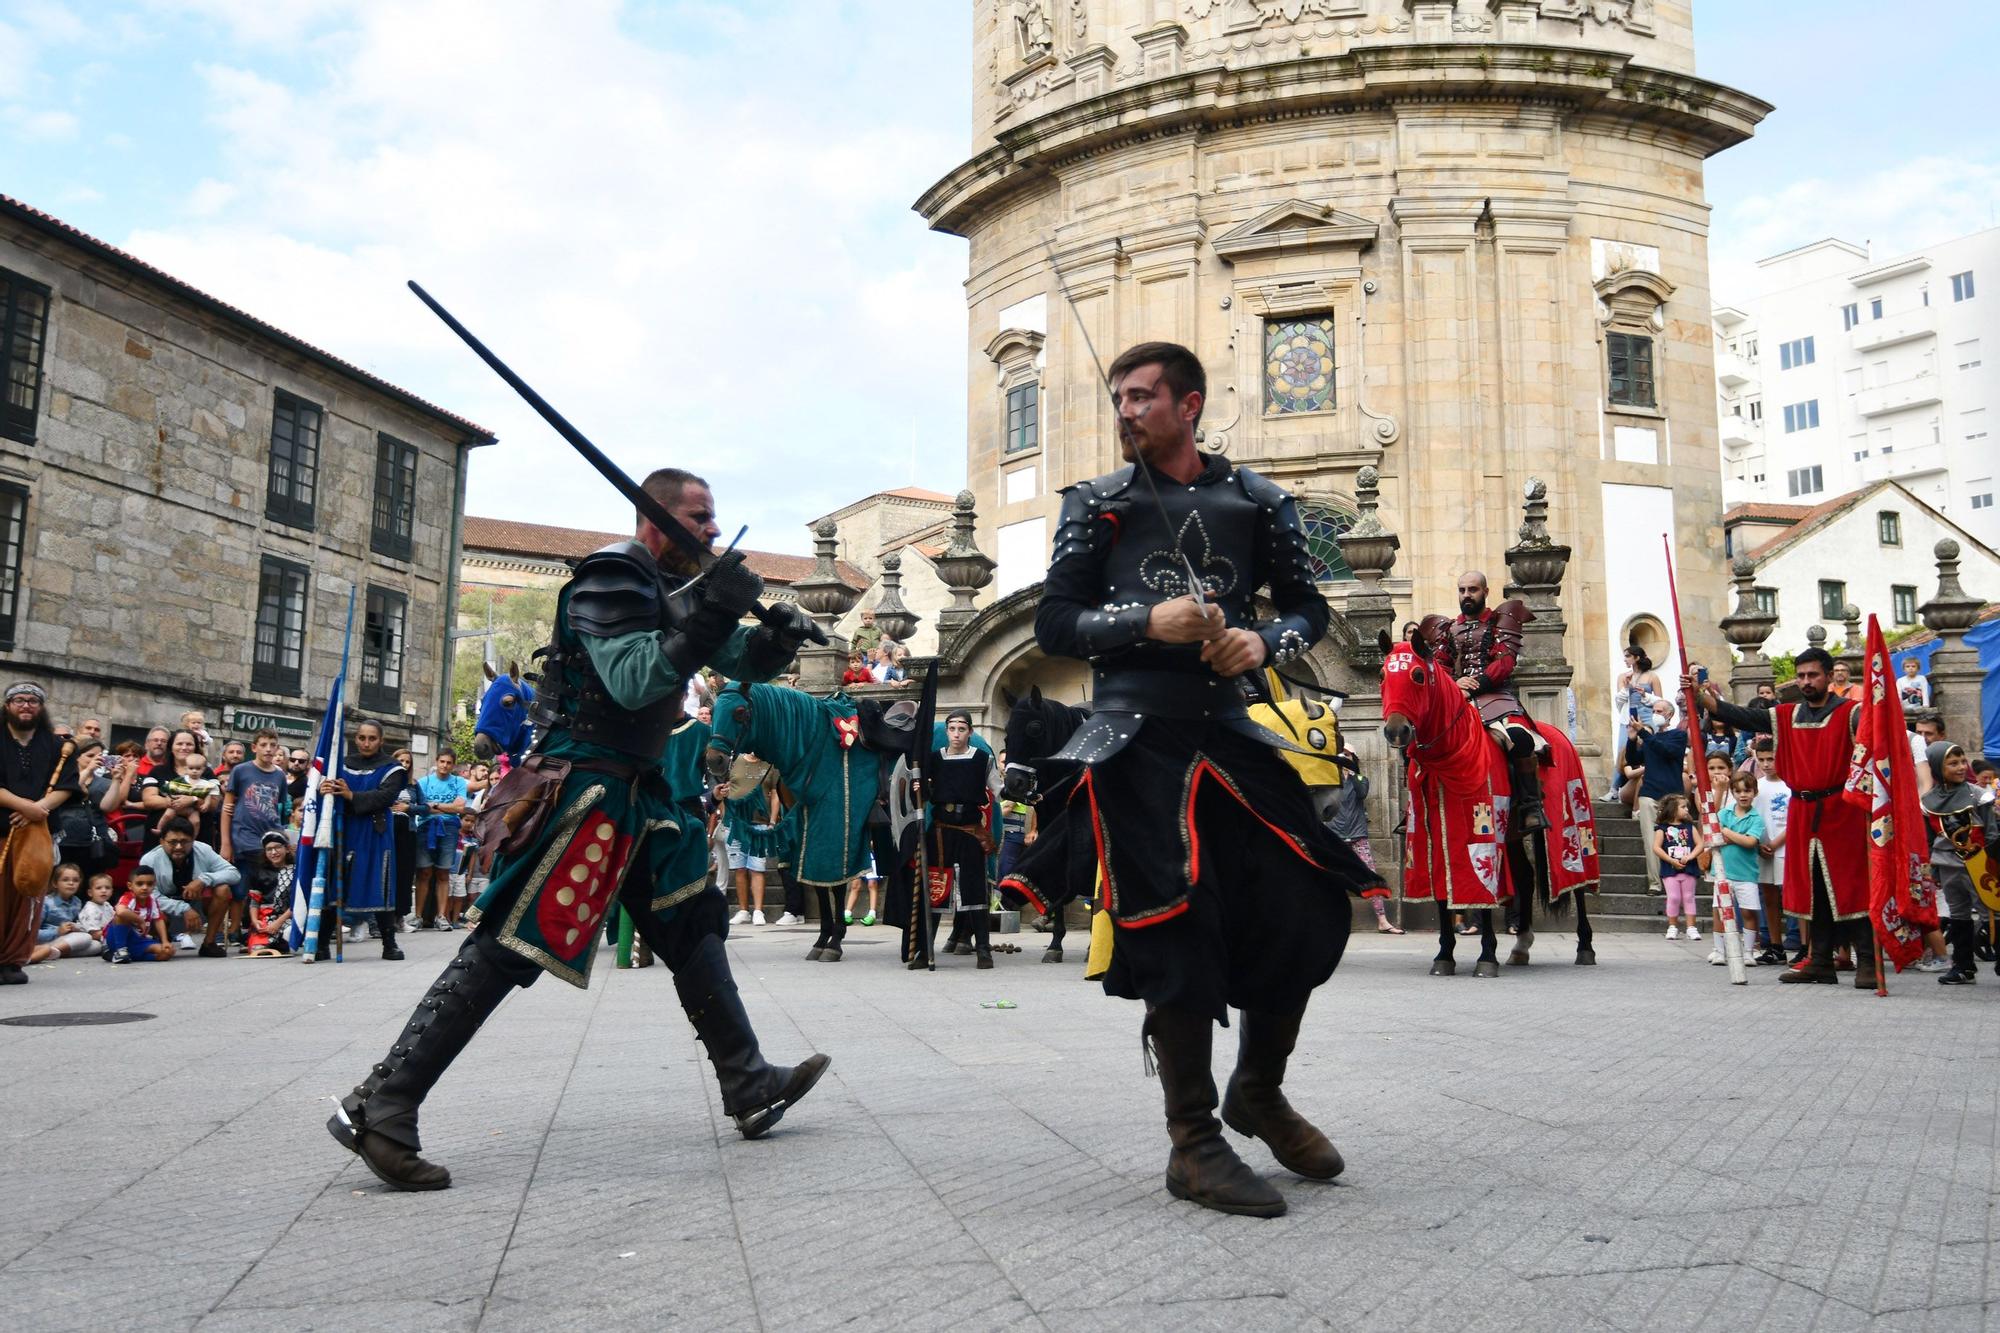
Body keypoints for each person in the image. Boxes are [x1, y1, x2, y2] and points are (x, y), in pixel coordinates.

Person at [327, 465, 828, 1192]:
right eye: (700, 516)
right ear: (656, 518)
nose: (715, 530)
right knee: (508, 944)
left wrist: (776, 638)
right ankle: (383, 1101)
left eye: (715, 517)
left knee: (692, 925)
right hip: (584, 787)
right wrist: (717, 613)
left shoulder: (667, 585)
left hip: (641, 794)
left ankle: (749, 1082)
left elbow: (728, 658)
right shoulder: (613, 576)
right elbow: (634, 680)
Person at [1006, 340, 1379, 1219]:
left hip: (1231, 730)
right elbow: (1056, 625)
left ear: (1191, 403)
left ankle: (1259, 1087)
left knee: (1307, 902)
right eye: (1119, 398)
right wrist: (1149, 618)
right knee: (1175, 926)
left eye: (1142, 397)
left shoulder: (1258, 499)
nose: (1127, 411)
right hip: (1133, 739)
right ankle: (1194, 1141)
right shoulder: (1094, 505)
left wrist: (1263, 641)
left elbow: (1306, 605)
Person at [1694, 647, 1877, 988]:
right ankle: (1820, 960)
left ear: (1828, 676)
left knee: (1850, 886)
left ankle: (1867, 960)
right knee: (1814, 888)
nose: (1807, 681)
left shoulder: (1852, 713)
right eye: (1802, 676)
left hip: (1843, 810)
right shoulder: (1787, 714)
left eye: (1813, 675)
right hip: (1803, 811)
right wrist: (1702, 693)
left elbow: (1879, 746)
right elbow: (1738, 715)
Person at [1418, 571, 1547, 833]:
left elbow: (1505, 662)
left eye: (1473, 590)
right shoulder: (1446, 629)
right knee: (1420, 740)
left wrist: (1475, 684)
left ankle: (1530, 805)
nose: (1467, 595)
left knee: (1519, 738)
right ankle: (1420, 805)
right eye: (1462, 590)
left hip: (1495, 696)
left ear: (1485, 592)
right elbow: (1438, 664)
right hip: (1456, 696)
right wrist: (1453, 684)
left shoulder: (1501, 621)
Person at [0, 682, 80, 984]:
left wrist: (39, 809)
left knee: (28, 895)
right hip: (2, 830)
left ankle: (12, 960)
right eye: (18, 700)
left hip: (38, 832)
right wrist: (24, 806)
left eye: (32, 701)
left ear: (41, 707)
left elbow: (68, 786)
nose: (25, 706)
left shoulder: (58, 746)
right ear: (8, 706)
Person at [315, 722, 409, 960]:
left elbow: (386, 796)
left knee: (380, 884)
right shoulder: (341, 764)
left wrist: (350, 795)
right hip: (345, 830)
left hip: (375, 832)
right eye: (362, 738)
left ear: (381, 740)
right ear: (355, 739)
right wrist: (324, 788)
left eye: (372, 738)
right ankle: (322, 944)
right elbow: (324, 793)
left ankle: (389, 943)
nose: (366, 743)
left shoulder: (393, 768)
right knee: (336, 883)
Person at [927, 709, 1000, 967]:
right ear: (946, 731)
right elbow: (923, 791)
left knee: (974, 889)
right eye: (952, 729)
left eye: (961, 729)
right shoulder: (934, 759)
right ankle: (925, 951)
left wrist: (1026, 794)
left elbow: (998, 789)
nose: (956, 734)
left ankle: (983, 949)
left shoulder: (982, 758)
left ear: (969, 731)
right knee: (935, 888)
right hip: (940, 832)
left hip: (969, 831)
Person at [1922, 742, 1998, 986]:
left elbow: (1992, 833)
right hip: (1947, 864)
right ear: (1937, 767)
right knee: (1958, 913)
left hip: (1980, 864)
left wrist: (1993, 864)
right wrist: (1932, 869)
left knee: (1991, 911)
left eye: (1962, 761)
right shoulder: (1928, 801)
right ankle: (1963, 966)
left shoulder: (1978, 795)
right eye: (1952, 763)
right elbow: (1930, 839)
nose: (1960, 767)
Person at [1321, 749, 1400, 935]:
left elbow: (1362, 793)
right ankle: (1333, 922)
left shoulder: (1360, 780)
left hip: (1357, 834)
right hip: (1335, 836)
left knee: (1370, 877)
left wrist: (1352, 772)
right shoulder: (1329, 780)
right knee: (1331, 879)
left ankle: (1382, 921)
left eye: (1348, 755)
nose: (1344, 758)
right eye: (1341, 755)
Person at [140, 817, 242, 957]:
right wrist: (184, 908)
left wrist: (203, 880)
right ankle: (162, 940)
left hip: (197, 905)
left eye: (184, 842)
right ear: (162, 841)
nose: (178, 847)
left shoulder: (204, 850)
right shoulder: (149, 860)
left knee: (223, 889)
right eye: (172, 842)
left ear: (193, 840)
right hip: (165, 910)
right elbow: (151, 896)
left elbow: (234, 874)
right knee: (148, 905)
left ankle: (209, 943)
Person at [1625, 700, 1687, 896]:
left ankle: (1675, 881)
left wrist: (1644, 733)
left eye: (1659, 710)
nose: (1655, 713)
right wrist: (1632, 739)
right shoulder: (1649, 738)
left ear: (1669, 715)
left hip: (1672, 796)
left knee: (1675, 840)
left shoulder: (1678, 735)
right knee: (1651, 841)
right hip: (1649, 794)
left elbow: (1667, 751)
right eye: (1653, 710)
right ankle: (1655, 883)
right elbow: (1634, 759)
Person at [220, 729, 289, 895]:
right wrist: (226, 843)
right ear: (254, 747)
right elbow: (227, 808)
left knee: (268, 890)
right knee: (240, 890)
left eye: (272, 745)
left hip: (270, 838)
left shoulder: (280, 776)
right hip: (245, 837)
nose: (268, 749)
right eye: (263, 745)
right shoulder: (241, 770)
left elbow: (277, 808)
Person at [1710, 771, 1766, 966]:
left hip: (1747, 874)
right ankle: (1719, 951)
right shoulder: (1724, 813)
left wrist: (1727, 832)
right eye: (1738, 791)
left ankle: (1749, 952)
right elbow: (1714, 834)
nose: (1743, 795)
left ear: (1755, 792)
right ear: (1732, 793)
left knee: (1749, 912)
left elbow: (1750, 842)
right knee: (1720, 912)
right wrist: (1734, 837)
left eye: (1747, 791)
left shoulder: (1756, 818)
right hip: (1723, 873)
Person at [412, 749, 469, 931]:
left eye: (448, 762)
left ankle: (441, 916)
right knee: (424, 873)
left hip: (449, 830)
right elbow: (421, 808)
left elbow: (460, 808)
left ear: (453, 765)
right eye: (442, 761)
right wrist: (447, 808)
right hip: (425, 828)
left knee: (444, 873)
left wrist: (435, 805)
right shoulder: (424, 782)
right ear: (436, 761)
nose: (444, 765)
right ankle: (418, 916)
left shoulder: (459, 782)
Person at [1749, 739, 1792, 964]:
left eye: (1770, 759)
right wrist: (1758, 843)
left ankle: (1806, 945)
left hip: (1787, 847)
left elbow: (1794, 820)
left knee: (1793, 899)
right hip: (1763, 848)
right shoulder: (1757, 786)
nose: (1766, 764)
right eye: (1762, 759)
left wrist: (1776, 843)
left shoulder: (1791, 785)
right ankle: (1776, 945)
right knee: (1769, 898)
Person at [723, 770, 778, 927]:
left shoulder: (770, 766)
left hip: (760, 822)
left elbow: (774, 795)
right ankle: (743, 910)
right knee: (739, 869)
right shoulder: (734, 763)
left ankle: (758, 911)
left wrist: (772, 822)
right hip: (735, 823)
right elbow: (725, 790)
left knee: (757, 868)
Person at [1652, 795, 1701, 942]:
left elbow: (1700, 844)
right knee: (1673, 897)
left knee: (1688, 897)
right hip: (1670, 869)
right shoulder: (1662, 829)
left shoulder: (1690, 827)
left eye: (1687, 807)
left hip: (1689, 867)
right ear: (1672, 809)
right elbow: (1656, 847)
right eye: (1683, 807)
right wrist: (1670, 860)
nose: (1687, 809)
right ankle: (1672, 926)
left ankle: (1691, 927)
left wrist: (1691, 856)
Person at [105, 865, 176, 962]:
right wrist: (140, 920)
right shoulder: (128, 898)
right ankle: (120, 952)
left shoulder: (152, 901)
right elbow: (120, 911)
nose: (145, 887)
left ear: (154, 885)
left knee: (167, 952)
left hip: (139, 940)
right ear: (130, 886)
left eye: (149, 884)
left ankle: (123, 956)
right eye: (140, 884)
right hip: (118, 939)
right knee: (121, 916)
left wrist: (165, 941)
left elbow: (159, 920)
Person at [29, 861, 87, 962]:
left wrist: (75, 927)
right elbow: (33, 933)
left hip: (66, 939)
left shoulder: (77, 902)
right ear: (55, 883)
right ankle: (46, 950)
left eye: (76, 880)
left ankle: (53, 952)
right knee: (85, 938)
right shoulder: (46, 903)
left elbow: (78, 923)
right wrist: (57, 931)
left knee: (96, 945)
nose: (71, 883)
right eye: (65, 880)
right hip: (47, 940)